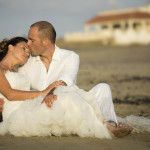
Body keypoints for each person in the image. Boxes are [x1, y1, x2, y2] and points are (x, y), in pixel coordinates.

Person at [0, 37, 133, 138]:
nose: (27, 53)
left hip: (31, 106)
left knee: (88, 91)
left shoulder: (19, 71)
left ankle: (105, 121)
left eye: (29, 51)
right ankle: (104, 125)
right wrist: (45, 92)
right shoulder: (5, 68)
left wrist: (48, 93)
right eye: (24, 48)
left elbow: (25, 93)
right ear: (10, 47)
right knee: (66, 97)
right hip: (18, 115)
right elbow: (10, 94)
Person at [18, 21, 119, 128]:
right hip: (39, 110)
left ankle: (110, 124)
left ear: (46, 42)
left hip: (66, 106)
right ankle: (103, 125)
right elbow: (18, 89)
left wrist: (51, 93)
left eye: (32, 40)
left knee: (103, 88)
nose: (28, 43)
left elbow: (65, 80)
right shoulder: (26, 63)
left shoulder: (70, 56)